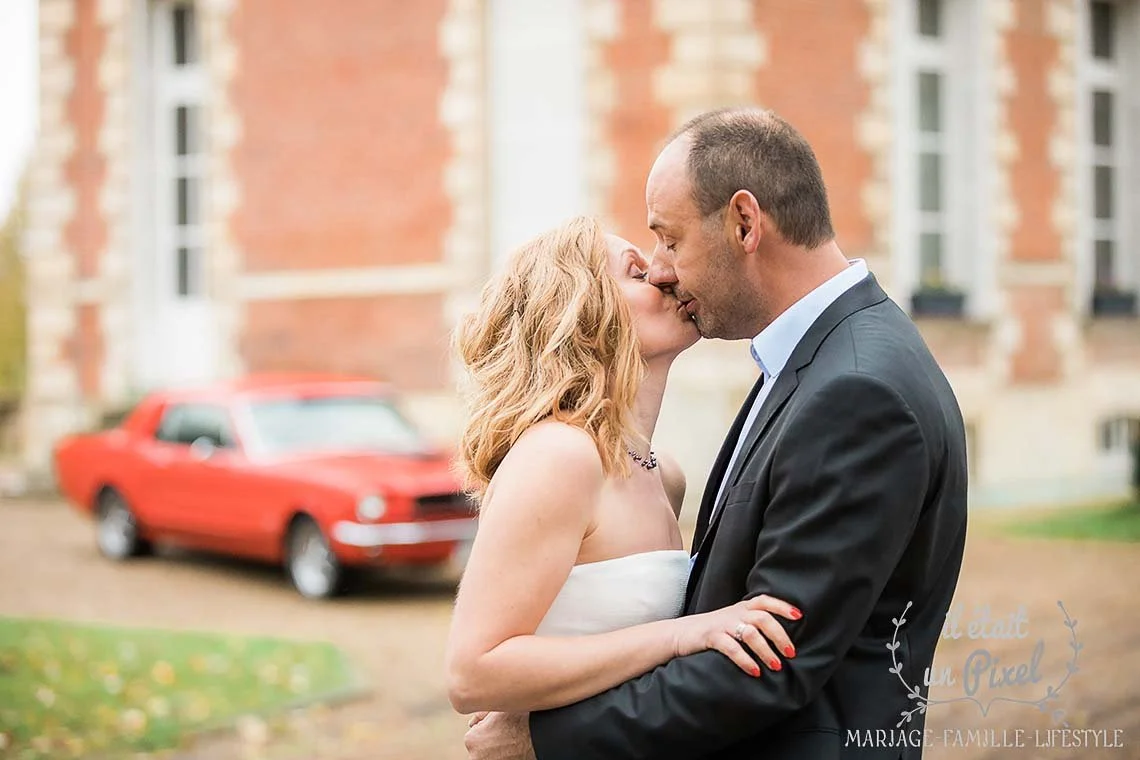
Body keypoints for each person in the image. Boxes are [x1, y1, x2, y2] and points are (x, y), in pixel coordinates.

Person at [464, 107, 968, 760]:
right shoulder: (812, 364)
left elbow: (775, 657)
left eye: (668, 242)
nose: (665, 270)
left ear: (744, 223)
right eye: (642, 267)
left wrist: (542, 739)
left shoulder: (853, 387)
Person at [444, 217, 801, 720]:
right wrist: (679, 637)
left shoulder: (664, 475)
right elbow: (472, 671)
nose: (665, 274)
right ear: (580, 312)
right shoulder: (559, 456)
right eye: (637, 272)